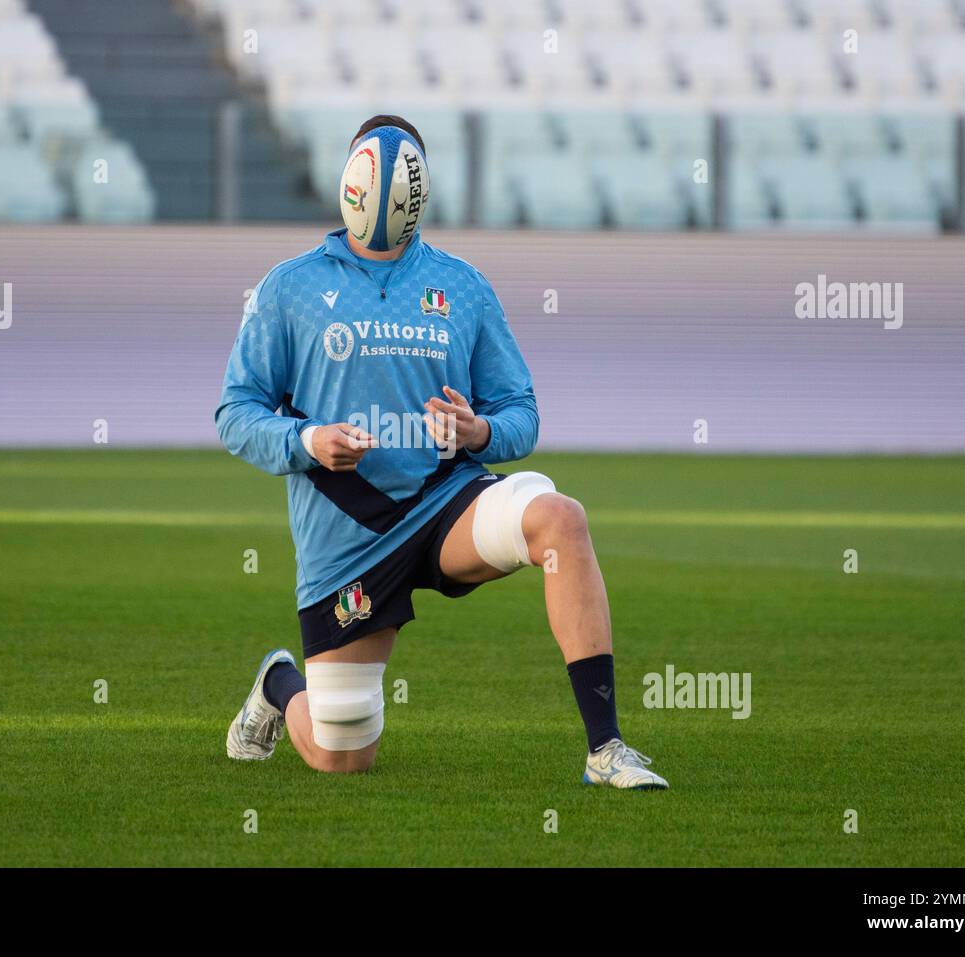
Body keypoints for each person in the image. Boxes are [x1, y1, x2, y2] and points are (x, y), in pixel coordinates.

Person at [215, 114, 667, 789]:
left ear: (417, 195)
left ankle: (606, 749)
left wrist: (477, 432)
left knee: (559, 518)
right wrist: (310, 440)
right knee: (342, 755)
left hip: (446, 502)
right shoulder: (289, 286)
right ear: (352, 184)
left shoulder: (463, 287)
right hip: (348, 539)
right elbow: (236, 412)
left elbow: (522, 413)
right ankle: (281, 682)